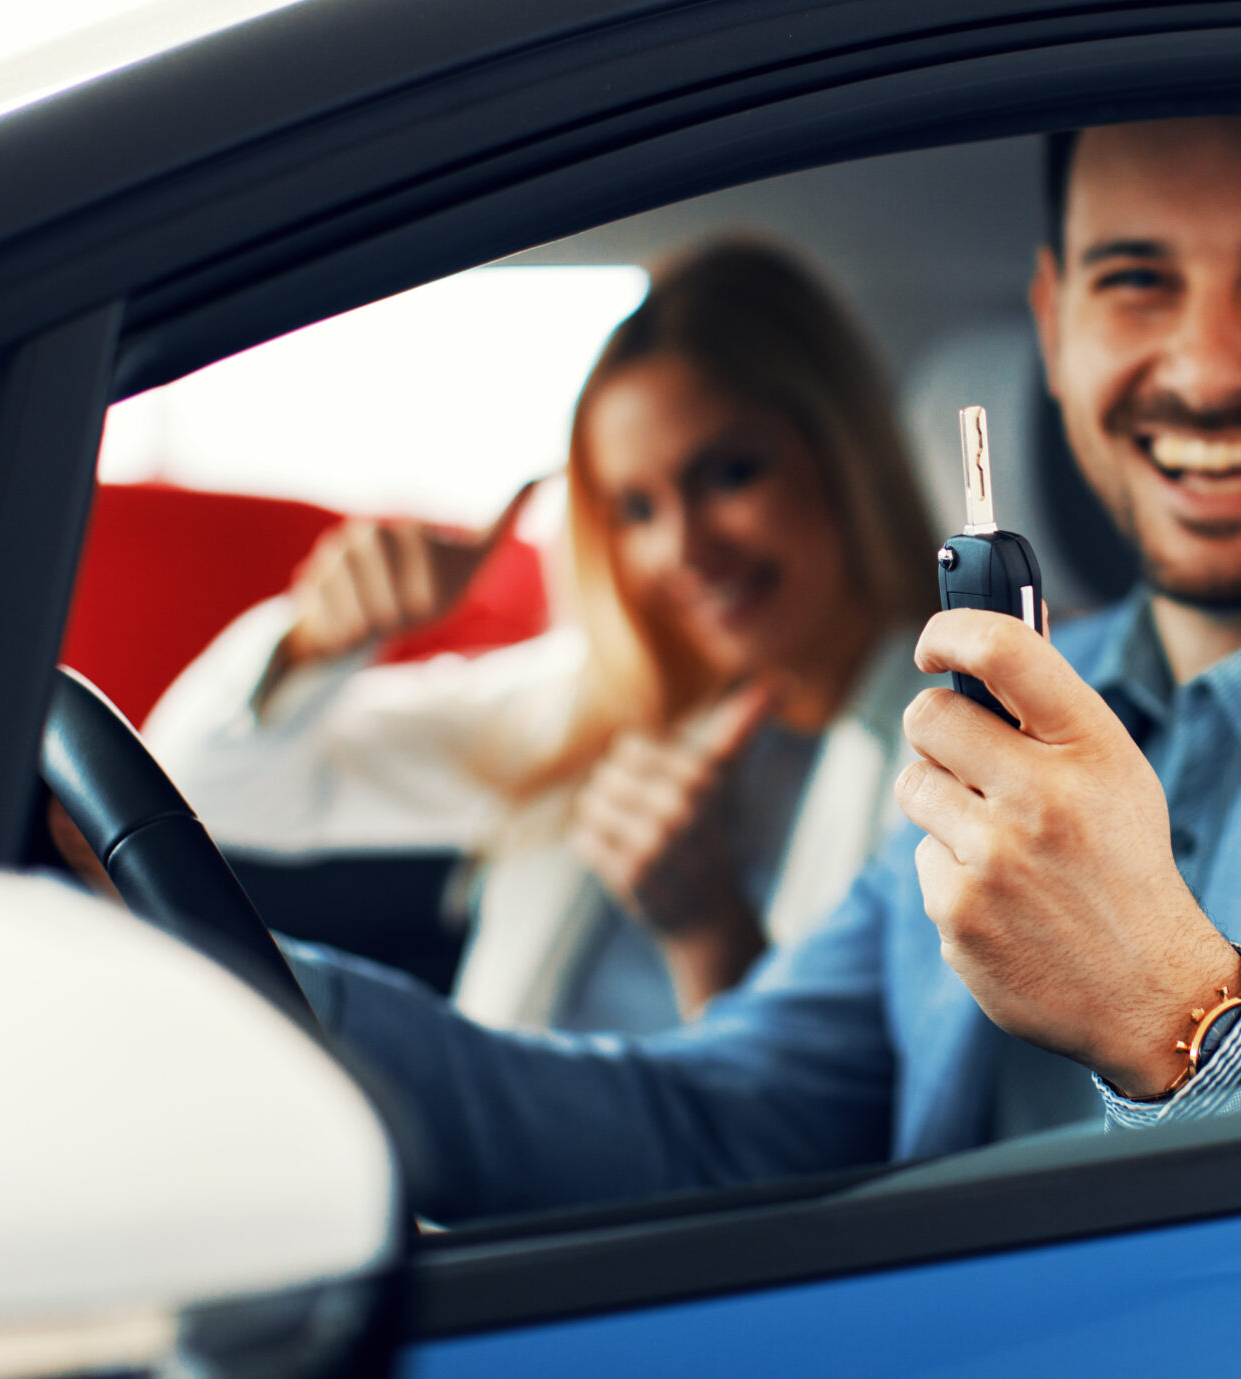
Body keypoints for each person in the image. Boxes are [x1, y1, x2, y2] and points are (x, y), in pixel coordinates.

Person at [283, 112, 1241, 1222]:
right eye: (1138, 282)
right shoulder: (1008, 705)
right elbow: (721, 1120)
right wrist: (299, 1013)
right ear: (1055, 329)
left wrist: (1182, 1014)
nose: (1203, 364)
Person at [145, 240, 939, 1032]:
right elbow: (199, 789)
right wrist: (318, 640)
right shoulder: (580, 709)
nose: (684, 552)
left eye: (730, 474)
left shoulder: (945, 755)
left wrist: (708, 933)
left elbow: (856, 1128)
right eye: (636, 509)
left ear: (842, 456)